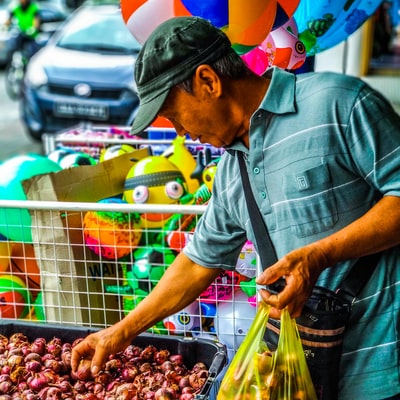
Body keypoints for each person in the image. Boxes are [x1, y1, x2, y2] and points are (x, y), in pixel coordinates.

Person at [71, 16, 400, 399]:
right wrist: (119, 333)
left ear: (208, 81)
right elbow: (198, 261)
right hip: (304, 377)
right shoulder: (230, 169)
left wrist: (319, 256)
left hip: (381, 368)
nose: (179, 132)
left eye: (175, 115)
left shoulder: (339, 103)